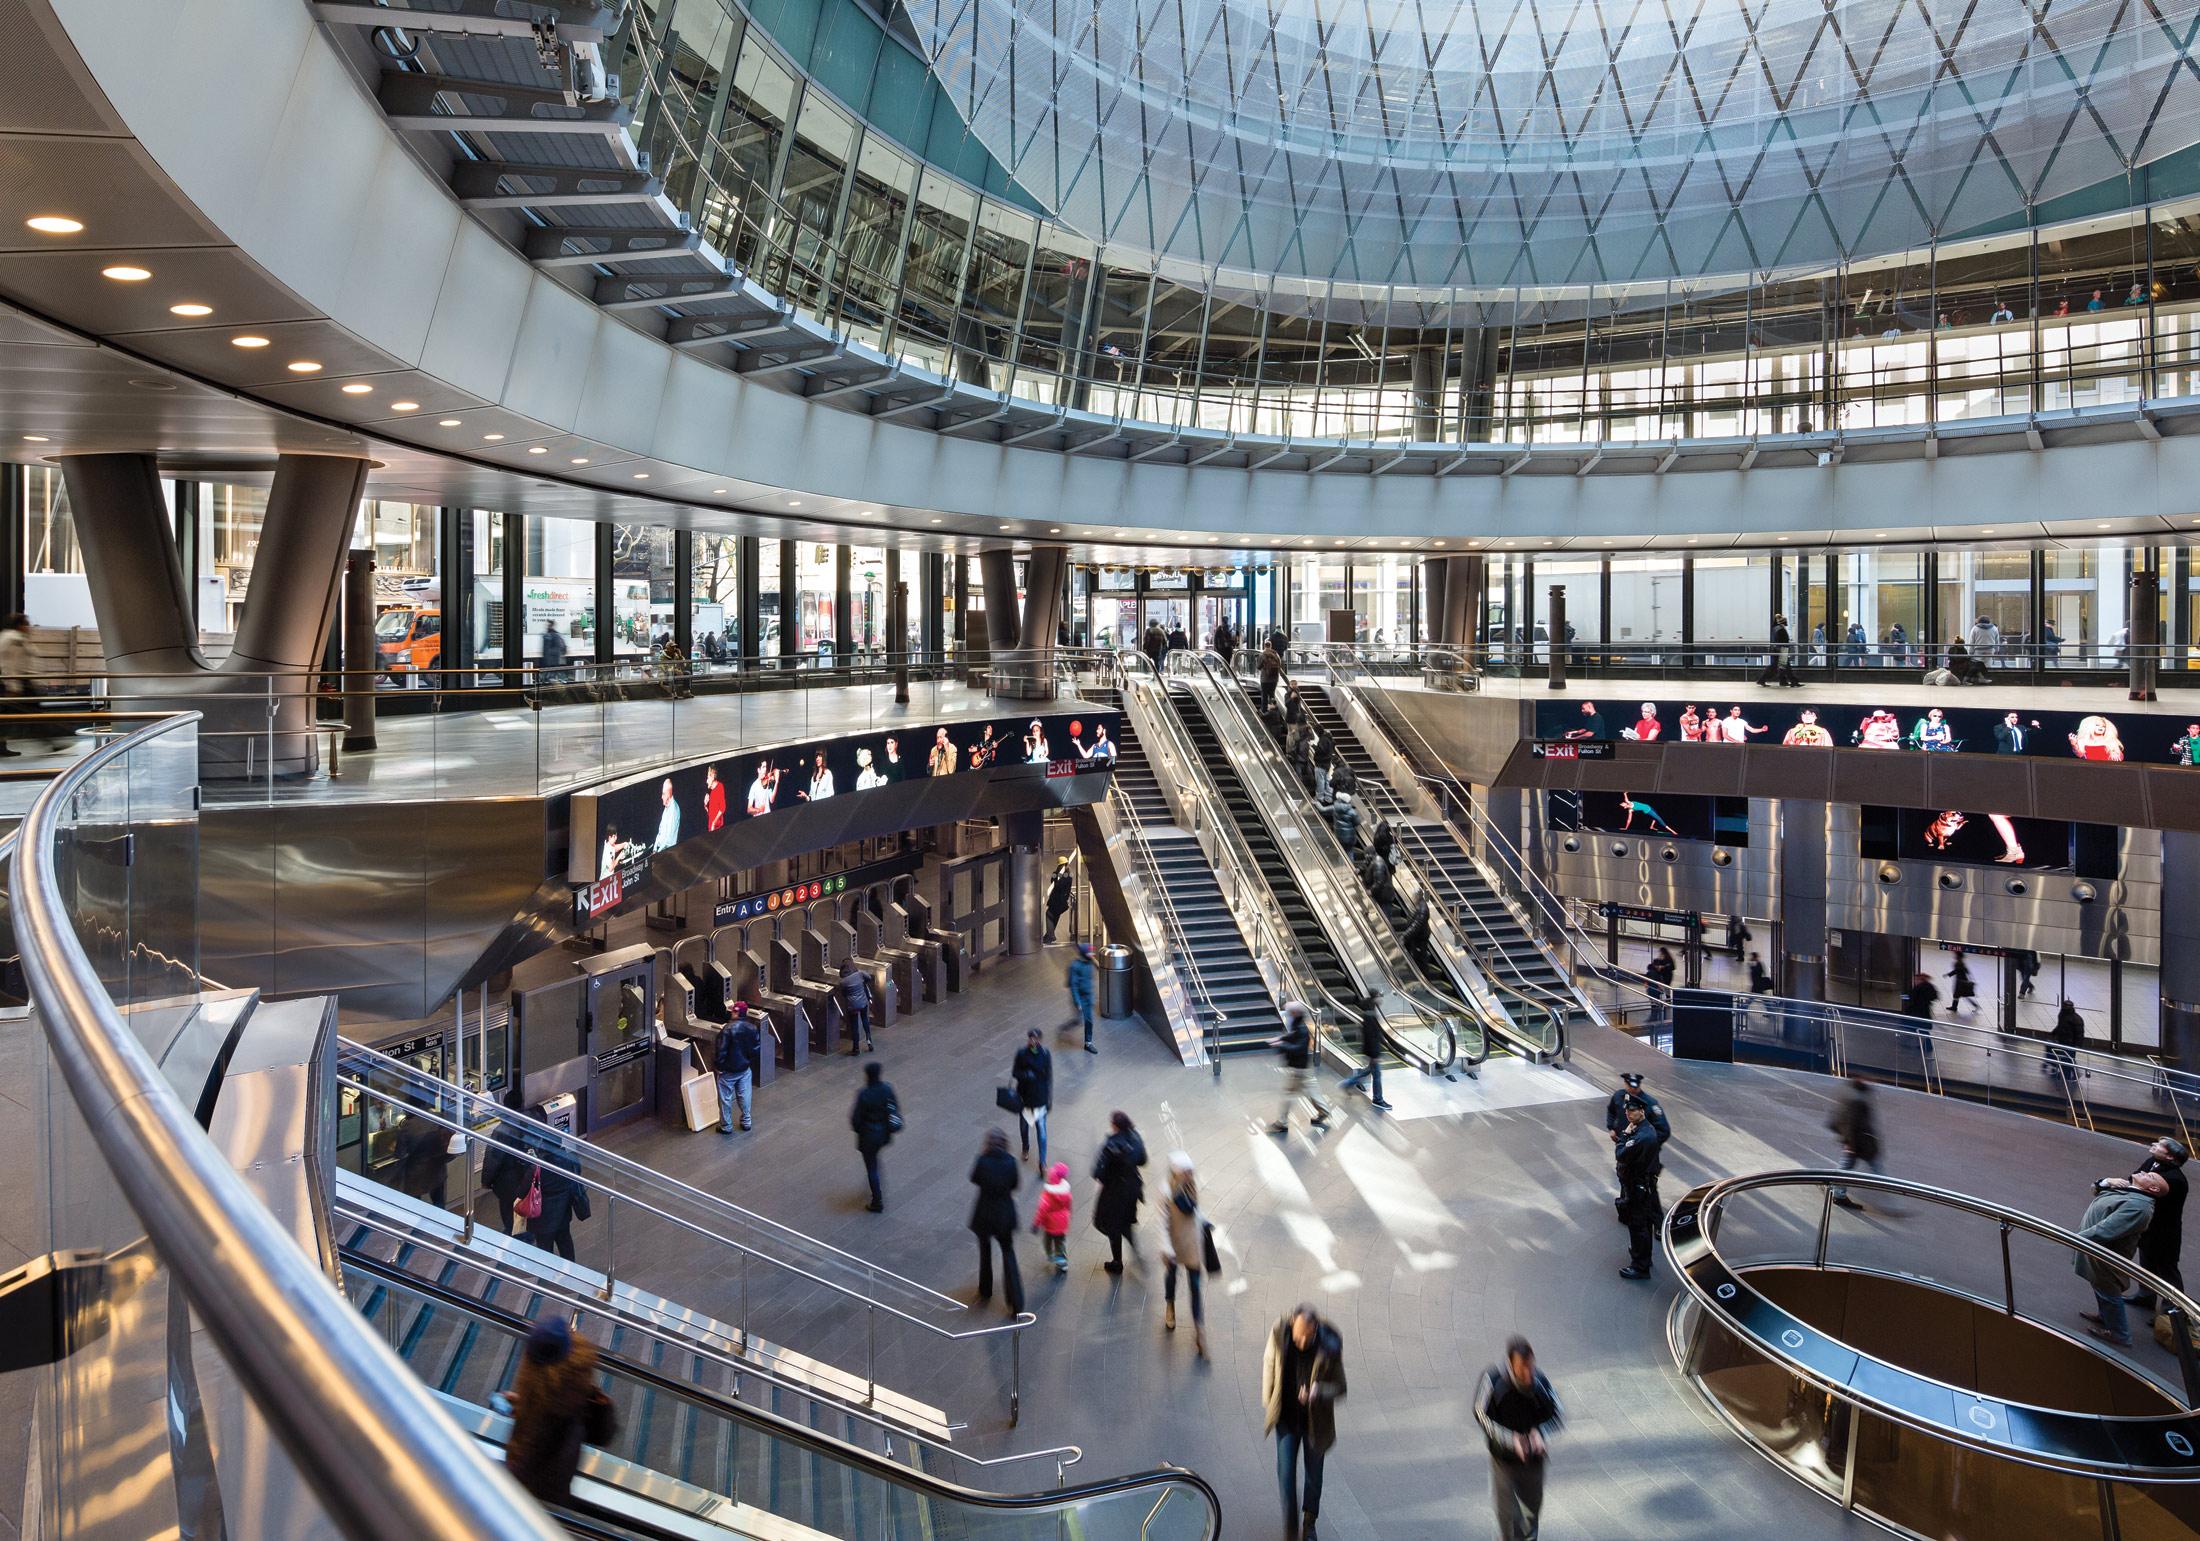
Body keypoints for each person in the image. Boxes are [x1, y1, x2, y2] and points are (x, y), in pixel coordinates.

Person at [504, 1317, 617, 1503]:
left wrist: (525, 1409)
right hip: (552, 1497)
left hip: (543, 1502)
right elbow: (603, 1434)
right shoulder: (575, 1399)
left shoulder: (544, 1418)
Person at [1262, 1306, 1346, 1539]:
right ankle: (1290, 1526)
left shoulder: (1329, 1346)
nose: (1300, 1342)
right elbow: (1270, 1361)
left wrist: (1318, 1392)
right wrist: (1269, 1400)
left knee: (1313, 1477)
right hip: (1287, 1419)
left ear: (1315, 1329)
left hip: (1314, 1424)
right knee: (1286, 1474)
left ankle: (1309, 1522)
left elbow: (1341, 1387)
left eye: (1306, 1338)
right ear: (1292, 1324)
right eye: (1297, 1335)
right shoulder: (1281, 1333)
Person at [1475, 1336, 1562, 1541]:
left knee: (1531, 1511)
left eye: (1530, 1366)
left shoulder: (1540, 1383)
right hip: (1504, 1462)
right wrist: (1510, 1439)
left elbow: (1558, 1414)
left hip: (1533, 1463)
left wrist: (1540, 1434)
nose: (1527, 1374)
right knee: (1507, 1514)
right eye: (1522, 1368)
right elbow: (1480, 1413)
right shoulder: (1494, 1381)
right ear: (1510, 1364)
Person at [2076, 1170, 2167, 1346]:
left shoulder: (2139, 1206)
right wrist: (2106, 1181)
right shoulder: (2129, 1190)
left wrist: (2076, 1239)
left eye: (2150, 1176)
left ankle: (2120, 1333)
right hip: (2096, 1251)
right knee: (2099, 1285)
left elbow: (2106, 1230)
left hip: (2105, 1254)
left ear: (2153, 1188)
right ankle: (2105, 1317)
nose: (2143, 1172)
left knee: (2108, 1290)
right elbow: (2097, 1191)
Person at [2120, 1138, 2189, 1314]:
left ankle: (2171, 1312)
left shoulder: (2175, 1180)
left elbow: (2141, 1189)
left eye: (2159, 1146)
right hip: (2149, 1227)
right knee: (2147, 1262)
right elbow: (2134, 1177)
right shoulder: (2153, 1162)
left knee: (2167, 1271)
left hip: (2165, 1231)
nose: (2153, 1146)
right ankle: (2146, 1296)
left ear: (2170, 1157)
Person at [969, 1129, 1024, 1314]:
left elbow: (974, 1178)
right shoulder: (1011, 1162)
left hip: (984, 1213)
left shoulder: (982, 1161)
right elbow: (1015, 1185)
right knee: (1008, 1253)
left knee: (985, 1252)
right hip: (1004, 1214)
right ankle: (1016, 1301)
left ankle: (985, 1290)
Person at [1159, 1152, 1209, 1356]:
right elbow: (1161, 1221)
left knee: (1195, 1286)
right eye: (1187, 1171)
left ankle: (1199, 1330)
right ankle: (1170, 1304)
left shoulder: (1192, 1185)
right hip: (1174, 1242)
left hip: (1192, 1243)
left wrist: (1205, 1222)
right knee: (1171, 1276)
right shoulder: (1166, 1190)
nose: (1191, 1174)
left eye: (1191, 1170)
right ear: (1177, 1172)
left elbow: (1196, 1210)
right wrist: (1165, 1247)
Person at [1092, 1110, 1147, 1273]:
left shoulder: (1111, 1145)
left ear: (1114, 1126)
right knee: (1126, 1222)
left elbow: (1098, 1173)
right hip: (1132, 1188)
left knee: (1109, 1224)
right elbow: (1143, 1160)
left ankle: (1117, 1262)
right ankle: (1135, 1250)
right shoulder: (1135, 1137)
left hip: (1114, 1192)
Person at [1614, 1097, 1664, 1280]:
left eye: (1632, 1110)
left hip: (1637, 1187)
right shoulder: (1645, 1129)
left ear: (1642, 1111)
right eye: (1627, 1110)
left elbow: (1620, 1153)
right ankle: (1642, 1254)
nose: (1628, 1113)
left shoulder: (1641, 1136)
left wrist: (1625, 1135)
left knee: (1638, 1225)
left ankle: (1640, 1266)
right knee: (1643, 1224)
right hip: (1642, 1185)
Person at [1269, 1001, 1331, 1134]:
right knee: (1311, 1090)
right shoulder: (1298, 1024)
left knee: (1289, 1094)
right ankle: (1324, 1112)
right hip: (1302, 1067)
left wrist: (1281, 1044)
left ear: (1295, 1013)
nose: (1287, 1015)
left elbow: (1298, 1048)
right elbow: (1292, 1036)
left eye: (1289, 1012)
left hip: (1299, 1068)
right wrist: (1281, 1039)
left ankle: (1282, 1122)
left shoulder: (1301, 1028)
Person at [525, 1135, 587, 1260]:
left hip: (542, 1215)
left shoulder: (537, 1166)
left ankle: (548, 1273)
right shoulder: (570, 1159)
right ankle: (570, 1269)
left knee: (545, 1247)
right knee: (565, 1240)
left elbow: (524, 1189)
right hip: (563, 1210)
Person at [850, 1062, 900, 1213]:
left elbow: (855, 1120)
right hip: (883, 1134)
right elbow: (894, 1108)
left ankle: (877, 1201)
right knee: (875, 1161)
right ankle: (877, 1183)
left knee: (871, 1167)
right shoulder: (887, 1089)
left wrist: (861, 1131)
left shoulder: (864, 1094)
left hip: (868, 1136)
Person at [478, 1108, 537, 1235]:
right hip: (526, 1175)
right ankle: (527, 1233)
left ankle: (512, 1233)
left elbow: (493, 1159)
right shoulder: (531, 1121)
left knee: (508, 1208)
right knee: (526, 1203)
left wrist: (486, 1181)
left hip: (507, 1180)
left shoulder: (502, 1131)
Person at [1827, 1078, 1880, 1209]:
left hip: (1857, 1141)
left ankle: (1837, 1191)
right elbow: (1851, 1123)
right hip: (1858, 1142)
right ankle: (1838, 1194)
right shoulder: (1857, 1101)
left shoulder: (1852, 1097)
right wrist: (1850, 1143)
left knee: (1847, 1166)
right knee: (1850, 1167)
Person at [713, 1001, 762, 1134]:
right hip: (744, 1069)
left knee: (725, 1098)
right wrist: (747, 1061)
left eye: (733, 1011)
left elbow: (721, 1051)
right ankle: (746, 1121)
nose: (732, 1013)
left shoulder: (727, 1029)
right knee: (745, 1095)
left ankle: (726, 1125)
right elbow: (755, 1049)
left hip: (728, 1071)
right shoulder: (752, 1028)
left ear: (736, 1012)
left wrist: (719, 1067)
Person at [391, 1099, 450, 1207]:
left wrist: (393, 1147)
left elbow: (399, 1154)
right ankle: (440, 1222)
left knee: (415, 1205)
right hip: (437, 1167)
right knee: (439, 1202)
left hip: (417, 1173)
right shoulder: (439, 1117)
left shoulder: (407, 1128)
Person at [1337, 998, 1391, 1110]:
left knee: (1368, 1071)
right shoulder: (1370, 1016)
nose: (1381, 999)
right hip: (1373, 1052)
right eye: (1379, 996)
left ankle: (1346, 1084)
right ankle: (1378, 1099)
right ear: (1374, 999)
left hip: (1371, 1051)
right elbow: (1372, 1037)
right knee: (1376, 1076)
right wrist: (1375, 1055)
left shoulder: (1369, 1014)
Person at [1012, 1028, 1053, 1170]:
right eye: (1030, 1038)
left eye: (1035, 1038)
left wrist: (1049, 1099)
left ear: (1040, 1040)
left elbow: (1049, 1077)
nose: (1032, 1041)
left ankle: (1042, 1161)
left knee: (1041, 1131)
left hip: (1040, 1099)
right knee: (1024, 1127)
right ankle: (1025, 1147)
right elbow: (1015, 1072)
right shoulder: (1022, 1054)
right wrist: (1026, 1075)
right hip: (1026, 1100)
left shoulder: (1045, 1054)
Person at [1035, 1160, 1073, 1275]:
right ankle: (1062, 1263)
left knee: (1047, 1241)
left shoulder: (1047, 1196)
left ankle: (1050, 1255)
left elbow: (1041, 1211)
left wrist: (1036, 1224)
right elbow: (1069, 1206)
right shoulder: (1066, 1193)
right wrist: (1068, 1216)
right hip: (1062, 1224)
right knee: (1060, 1243)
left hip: (1050, 1225)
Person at [1067, 941, 1098, 1051]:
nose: (1092, 954)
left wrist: (1092, 996)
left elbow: (1089, 980)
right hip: (1080, 998)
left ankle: (1088, 1043)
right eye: (1090, 952)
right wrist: (1077, 1002)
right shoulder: (1075, 966)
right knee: (1079, 1020)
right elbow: (1073, 986)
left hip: (1088, 997)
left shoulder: (1089, 963)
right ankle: (1067, 1027)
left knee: (1088, 1020)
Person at [839, 960, 875, 1053]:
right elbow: (869, 978)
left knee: (854, 1025)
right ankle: (869, 1041)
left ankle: (856, 1048)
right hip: (863, 1002)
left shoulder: (843, 982)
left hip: (852, 1006)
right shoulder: (860, 974)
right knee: (865, 1020)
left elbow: (843, 994)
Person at [1042, 856, 1074, 944]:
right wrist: (1057, 874)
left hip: (1057, 901)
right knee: (1054, 917)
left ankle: (1050, 935)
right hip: (1061, 902)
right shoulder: (1068, 874)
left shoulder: (1065, 876)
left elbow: (1058, 885)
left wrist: (1057, 874)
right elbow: (1052, 880)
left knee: (1049, 914)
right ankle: (1048, 936)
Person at [1759, 614, 1798, 687]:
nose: (1787, 623)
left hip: (1777, 650)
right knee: (1782, 666)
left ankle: (1784, 681)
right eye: (1786, 621)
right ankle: (1792, 681)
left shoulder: (1776, 628)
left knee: (1782, 666)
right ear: (1783, 622)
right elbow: (1782, 641)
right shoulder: (1781, 629)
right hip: (1781, 650)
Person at [1645, 948, 1677, 1023]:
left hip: (1667, 976)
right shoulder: (1664, 959)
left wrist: (1663, 967)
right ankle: (1667, 1001)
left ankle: (1668, 1001)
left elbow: (1671, 967)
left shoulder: (1667, 959)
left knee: (1666, 988)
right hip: (1664, 977)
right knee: (1665, 989)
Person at [652, 778, 681, 852]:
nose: (661, 797)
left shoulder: (674, 809)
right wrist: (655, 849)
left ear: (668, 794)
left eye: (663, 794)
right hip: (660, 850)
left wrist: (658, 853)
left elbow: (669, 838)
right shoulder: (666, 808)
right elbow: (660, 830)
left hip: (667, 852)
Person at [1329, 788, 1361, 853]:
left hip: (1338, 835)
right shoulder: (1352, 812)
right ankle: (1349, 863)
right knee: (1350, 851)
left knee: (1340, 852)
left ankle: (1342, 862)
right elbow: (1357, 822)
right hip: (1350, 836)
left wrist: (1317, 803)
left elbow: (1323, 810)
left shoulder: (1335, 808)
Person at [1258, 640, 1284, 712]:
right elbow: (1279, 664)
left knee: (1265, 695)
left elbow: (1258, 667)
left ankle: (1264, 710)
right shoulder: (1276, 654)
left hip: (1265, 678)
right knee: (1272, 694)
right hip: (1274, 678)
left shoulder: (1262, 654)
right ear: (1271, 646)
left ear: (1264, 646)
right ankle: (1273, 711)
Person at [703, 763, 728, 830]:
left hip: (717, 827)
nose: (706, 781)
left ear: (713, 776)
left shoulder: (720, 787)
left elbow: (722, 808)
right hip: (711, 827)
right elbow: (710, 813)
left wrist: (714, 823)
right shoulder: (709, 792)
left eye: (708, 777)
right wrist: (705, 805)